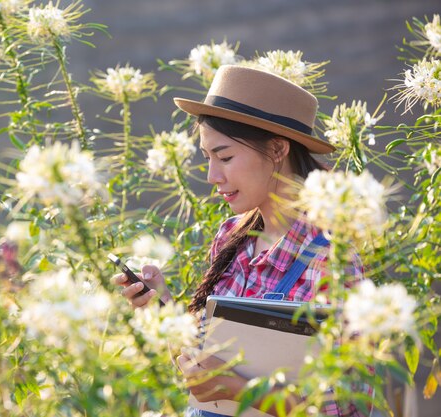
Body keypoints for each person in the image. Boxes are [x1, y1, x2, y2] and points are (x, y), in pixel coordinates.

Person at [114, 65, 371, 416]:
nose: (212, 176)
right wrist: (163, 310)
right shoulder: (230, 237)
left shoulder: (332, 256)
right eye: (207, 158)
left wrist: (241, 390)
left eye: (225, 157)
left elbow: (350, 403)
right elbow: (209, 360)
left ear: (278, 149)